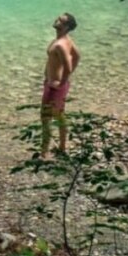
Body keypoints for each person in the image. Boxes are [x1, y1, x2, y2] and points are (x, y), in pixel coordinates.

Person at [40, 12, 80, 158]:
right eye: (58, 18)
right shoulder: (66, 40)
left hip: (54, 87)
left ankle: (44, 153)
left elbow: (68, 67)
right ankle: (62, 147)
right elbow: (77, 55)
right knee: (59, 115)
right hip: (55, 85)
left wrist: (60, 82)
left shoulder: (60, 45)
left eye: (61, 21)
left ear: (66, 27)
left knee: (46, 117)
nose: (57, 21)